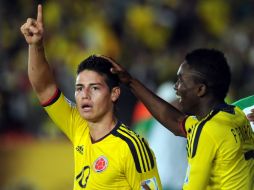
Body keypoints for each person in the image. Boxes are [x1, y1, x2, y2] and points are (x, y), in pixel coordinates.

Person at [20, 4, 162, 190]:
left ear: (114, 93)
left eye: (94, 88)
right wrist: (36, 45)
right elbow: (44, 87)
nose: (84, 95)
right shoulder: (78, 126)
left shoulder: (131, 147)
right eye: (79, 88)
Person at [110, 48, 254, 189]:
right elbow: (176, 121)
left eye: (181, 81)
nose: (176, 87)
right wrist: (130, 81)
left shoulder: (206, 131)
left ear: (200, 89)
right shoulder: (236, 115)